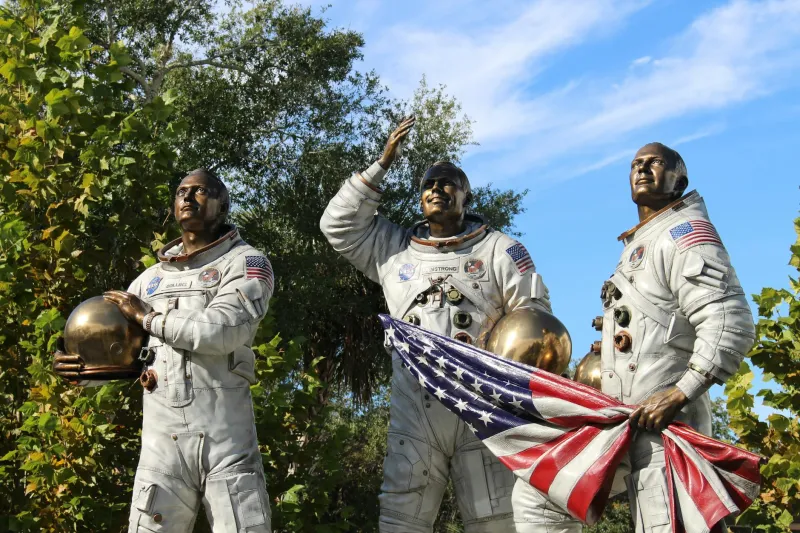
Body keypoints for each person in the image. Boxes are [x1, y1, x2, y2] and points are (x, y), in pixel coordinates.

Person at [320, 117, 553, 533]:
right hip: (415, 408)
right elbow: (336, 225)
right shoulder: (392, 249)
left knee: (496, 521)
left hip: (482, 407)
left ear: (467, 195)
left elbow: (534, 326)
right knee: (400, 521)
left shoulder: (501, 249)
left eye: (448, 184)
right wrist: (381, 165)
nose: (437, 190)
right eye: (429, 184)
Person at [514, 143, 756, 532]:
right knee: (539, 495)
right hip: (622, 420)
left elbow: (730, 321)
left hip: (667, 427)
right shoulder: (640, 244)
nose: (643, 169)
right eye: (636, 164)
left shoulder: (685, 232)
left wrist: (680, 393)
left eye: (656, 163)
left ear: (680, 180)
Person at [54, 169, 274, 533]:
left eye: (201, 191)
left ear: (223, 204)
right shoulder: (148, 281)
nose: (188, 198)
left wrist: (150, 317)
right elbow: (125, 355)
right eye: (181, 192)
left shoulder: (247, 263)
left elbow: (225, 330)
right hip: (161, 448)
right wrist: (80, 368)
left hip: (226, 445)